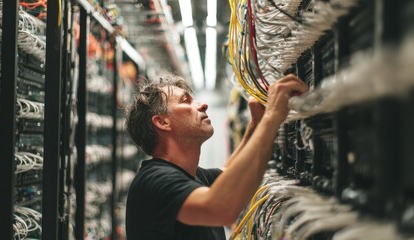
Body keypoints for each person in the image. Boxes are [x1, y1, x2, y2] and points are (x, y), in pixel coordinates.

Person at [125, 73, 308, 240]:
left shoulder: (194, 176)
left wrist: (257, 124)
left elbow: (232, 174)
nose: (202, 104)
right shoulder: (153, 181)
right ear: (162, 122)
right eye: (186, 101)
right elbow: (222, 207)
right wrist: (273, 116)